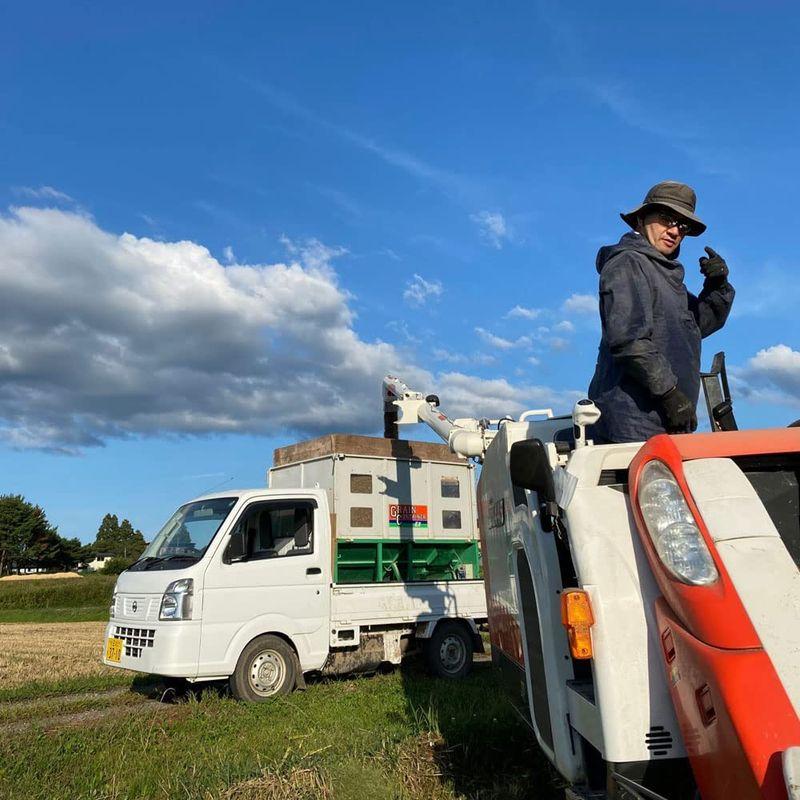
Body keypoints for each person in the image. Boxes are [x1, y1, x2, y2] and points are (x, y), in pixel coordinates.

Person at [588, 181, 735, 443]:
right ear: (641, 218)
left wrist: (717, 287)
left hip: (667, 423)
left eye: (683, 225)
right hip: (630, 425)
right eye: (667, 219)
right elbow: (629, 341)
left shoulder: (667, 279)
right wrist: (670, 394)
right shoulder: (628, 263)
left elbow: (697, 327)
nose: (675, 230)